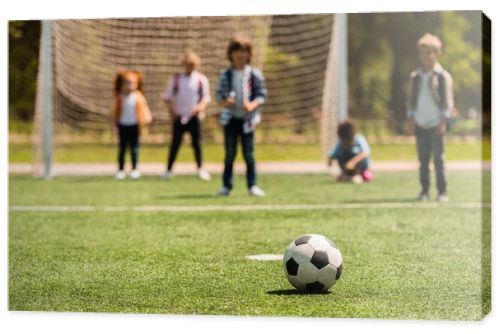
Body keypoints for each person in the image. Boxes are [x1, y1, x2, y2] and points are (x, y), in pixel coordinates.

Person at [215, 35, 268, 197]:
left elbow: (262, 95)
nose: (240, 54)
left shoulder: (254, 74)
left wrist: (252, 104)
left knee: (249, 154)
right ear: (231, 53)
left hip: (247, 121)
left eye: (244, 51)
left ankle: (252, 185)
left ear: (249, 54)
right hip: (230, 120)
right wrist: (225, 101)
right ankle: (226, 185)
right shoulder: (226, 75)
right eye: (237, 50)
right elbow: (219, 96)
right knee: (229, 154)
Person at [407, 33, 454, 202]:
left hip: (436, 123)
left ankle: (442, 192)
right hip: (420, 122)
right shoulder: (415, 77)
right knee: (423, 160)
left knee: (439, 160)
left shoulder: (443, 76)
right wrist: (410, 119)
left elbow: (447, 102)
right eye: (423, 53)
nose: (426, 56)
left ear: (437, 53)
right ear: (419, 54)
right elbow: (411, 101)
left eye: (430, 52)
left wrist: (443, 122)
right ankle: (424, 191)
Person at [162, 51, 211, 181]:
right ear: (183, 64)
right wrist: (172, 112)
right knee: (175, 143)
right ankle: (169, 170)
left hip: (195, 118)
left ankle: (201, 169)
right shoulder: (176, 79)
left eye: (193, 64)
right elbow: (167, 97)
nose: (190, 66)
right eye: (188, 64)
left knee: (197, 144)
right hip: (179, 117)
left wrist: (199, 108)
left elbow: (205, 98)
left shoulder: (201, 79)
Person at [113, 70, 152, 180]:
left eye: (132, 83)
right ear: (123, 84)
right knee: (122, 148)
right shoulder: (119, 97)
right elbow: (114, 112)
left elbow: (144, 110)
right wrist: (115, 125)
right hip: (123, 126)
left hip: (135, 126)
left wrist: (145, 121)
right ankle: (121, 169)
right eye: (127, 83)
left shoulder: (138, 96)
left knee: (135, 149)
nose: (130, 85)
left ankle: (135, 169)